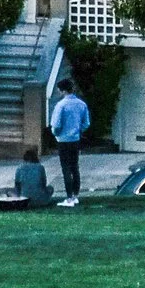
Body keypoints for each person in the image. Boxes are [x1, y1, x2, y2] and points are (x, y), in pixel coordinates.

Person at [48, 77, 91, 207]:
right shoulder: (81, 104)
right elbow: (86, 123)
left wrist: (56, 134)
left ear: (62, 90)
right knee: (75, 167)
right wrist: (78, 130)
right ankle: (76, 195)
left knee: (65, 168)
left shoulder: (61, 105)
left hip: (63, 140)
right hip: (75, 139)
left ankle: (69, 197)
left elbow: (56, 125)